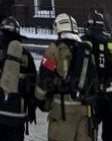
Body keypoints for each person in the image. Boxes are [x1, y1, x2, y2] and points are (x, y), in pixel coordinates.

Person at [37, 13, 99, 141]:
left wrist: (40, 100)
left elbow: (44, 79)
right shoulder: (86, 50)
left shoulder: (53, 49)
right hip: (85, 112)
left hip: (63, 112)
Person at [83, 12, 112, 141]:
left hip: (89, 93)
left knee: (88, 130)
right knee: (111, 130)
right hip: (110, 93)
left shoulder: (83, 42)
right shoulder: (111, 42)